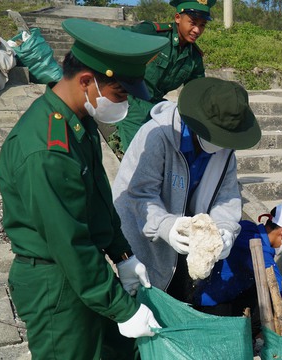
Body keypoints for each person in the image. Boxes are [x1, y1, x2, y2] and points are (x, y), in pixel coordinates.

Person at [0, 19, 167, 360]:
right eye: (120, 94)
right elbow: (69, 243)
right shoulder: (47, 149)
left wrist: (123, 255)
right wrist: (123, 309)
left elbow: (99, 201)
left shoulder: (79, 121)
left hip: (85, 272)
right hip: (55, 284)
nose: (125, 105)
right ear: (87, 81)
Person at [111, 77, 262, 305]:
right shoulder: (157, 136)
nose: (221, 145)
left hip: (183, 246)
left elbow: (227, 196)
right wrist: (166, 226)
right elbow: (140, 194)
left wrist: (225, 231)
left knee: (173, 303)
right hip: (140, 242)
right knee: (135, 305)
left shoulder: (224, 151)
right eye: (217, 135)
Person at [193, 202, 282, 338]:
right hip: (213, 308)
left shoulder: (247, 227)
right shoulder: (257, 247)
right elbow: (278, 289)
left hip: (217, 297)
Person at [115, 0, 215, 153]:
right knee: (137, 158)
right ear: (177, 18)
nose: (197, 30)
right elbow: (116, 38)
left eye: (202, 25)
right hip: (129, 103)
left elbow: (197, 94)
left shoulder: (194, 58)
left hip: (155, 107)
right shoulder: (153, 34)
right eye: (193, 23)